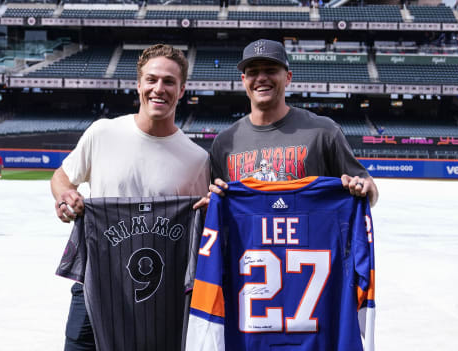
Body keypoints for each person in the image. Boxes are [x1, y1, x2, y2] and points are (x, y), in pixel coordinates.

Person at [50, 44, 210, 351]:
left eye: (168, 81)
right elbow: (62, 176)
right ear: (138, 84)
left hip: (160, 297)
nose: (158, 89)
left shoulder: (197, 159)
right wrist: (65, 195)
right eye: (151, 80)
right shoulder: (102, 133)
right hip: (96, 284)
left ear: (182, 89)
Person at [201, 39, 378, 207]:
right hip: (247, 239)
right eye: (253, 72)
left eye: (270, 70)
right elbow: (218, 203)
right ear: (243, 81)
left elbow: (369, 189)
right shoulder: (224, 143)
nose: (261, 78)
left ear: (288, 77)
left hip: (309, 237)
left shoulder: (324, 132)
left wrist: (364, 189)